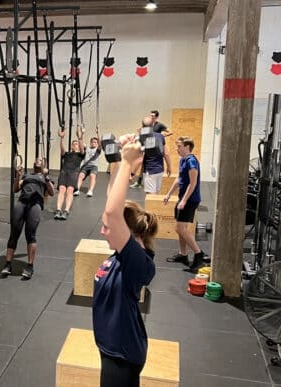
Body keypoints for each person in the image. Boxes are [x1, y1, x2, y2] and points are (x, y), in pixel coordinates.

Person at [94, 134, 157, 387]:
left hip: (122, 353)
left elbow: (112, 212)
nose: (102, 232)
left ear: (127, 233)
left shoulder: (138, 263)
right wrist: (120, 163)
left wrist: (128, 162)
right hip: (112, 346)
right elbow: (111, 204)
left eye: (107, 228)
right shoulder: (125, 254)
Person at [1, 158, 55, 279]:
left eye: (40, 160)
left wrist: (46, 177)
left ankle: (30, 267)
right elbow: (15, 189)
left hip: (35, 205)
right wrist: (18, 176)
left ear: (44, 164)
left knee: (30, 235)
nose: (37, 160)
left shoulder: (45, 177)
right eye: (36, 159)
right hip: (22, 203)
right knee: (14, 234)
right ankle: (8, 264)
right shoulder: (26, 175)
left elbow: (51, 192)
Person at [164, 137, 210, 270]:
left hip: (190, 199)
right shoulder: (183, 160)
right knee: (181, 228)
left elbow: (193, 183)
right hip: (183, 198)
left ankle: (198, 254)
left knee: (180, 228)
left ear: (187, 147)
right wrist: (169, 194)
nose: (177, 149)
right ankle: (183, 254)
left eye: (179, 146)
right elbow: (179, 179)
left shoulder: (191, 161)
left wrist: (184, 200)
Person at [54, 128, 85, 220]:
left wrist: (80, 137)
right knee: (62, 190)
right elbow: (62, 150)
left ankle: (66, 211)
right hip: (64, 172)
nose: (75, 145)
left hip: (73, 173)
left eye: (76, 144)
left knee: (70, 191)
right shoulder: (67, 154)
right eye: (73, 144)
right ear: (71, 146)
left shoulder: (80, 154)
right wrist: (61, 138)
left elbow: (82, 148)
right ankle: (58, 210)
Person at [140, 116, 172, 194]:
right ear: (153, 125)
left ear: (142, 126)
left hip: (150, 170)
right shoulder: (160, 136)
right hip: (160, 170)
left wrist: (132, 173)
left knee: (150, 196)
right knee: (156, 194)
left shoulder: (142, 137)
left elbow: (140, 157)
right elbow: (166, 154)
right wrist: (169, 167)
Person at [75, 126, 101, 197]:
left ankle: (90, 191)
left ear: (97, 143)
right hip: (85, 166)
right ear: (90, 143)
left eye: (95, 142)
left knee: (92, 176)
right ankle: (77, 190)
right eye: (92, 142)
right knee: (81, 175)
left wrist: (98, 132)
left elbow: (100, 142)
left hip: (93, 166)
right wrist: (82, 133)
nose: (93, 143)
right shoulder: (87, 148)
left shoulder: (98, 150)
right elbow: (81, 142)